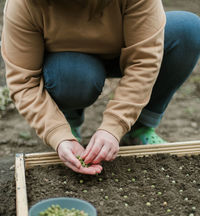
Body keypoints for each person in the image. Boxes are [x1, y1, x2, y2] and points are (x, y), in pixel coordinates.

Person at [1, 0, 200, 175]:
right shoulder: (24, 4)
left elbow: (144, 61)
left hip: (125, 44)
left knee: (188, 30)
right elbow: (24, 81)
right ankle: (68, 122)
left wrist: (114, 126)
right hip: (69, 64)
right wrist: (59, 135)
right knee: (72, 75)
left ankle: (139, 128)